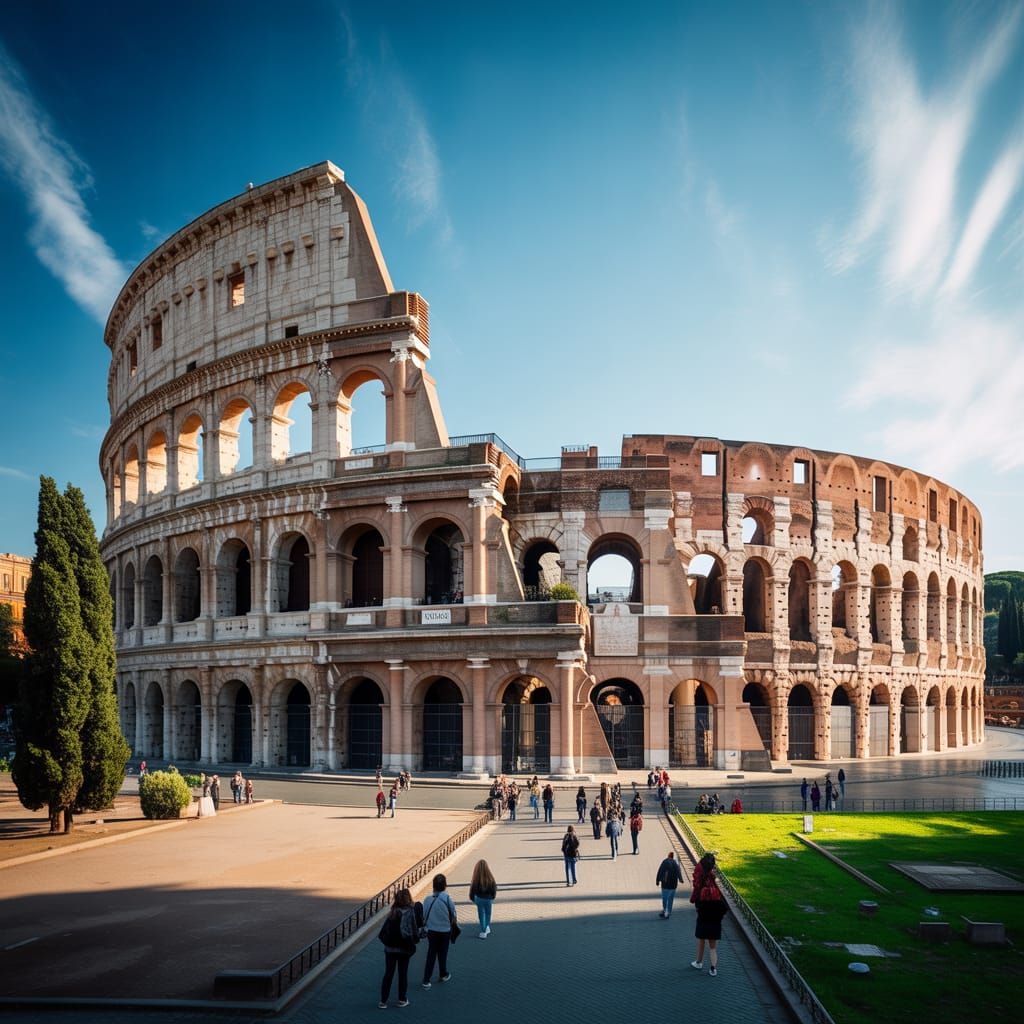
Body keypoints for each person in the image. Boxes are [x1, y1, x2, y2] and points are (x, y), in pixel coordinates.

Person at [379, 887, 423, 1008]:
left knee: (388, 974)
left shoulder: (392, 911)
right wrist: (416, 940)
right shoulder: (410, 912)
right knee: (402, 974)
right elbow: (413, 930)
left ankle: (383, 1001)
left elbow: (384, 931)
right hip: (404, 949)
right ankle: (402, 999)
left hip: (390, 949)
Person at [691, 862, 728, 976]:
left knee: (701, 941)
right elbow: (724, 908)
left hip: (703, 922)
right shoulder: (717, 896)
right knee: (713, 948)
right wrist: (719, 917)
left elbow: (697, 907)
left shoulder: (702, 899)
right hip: (715, 924)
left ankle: (699, 962)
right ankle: (713, 969)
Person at [421, 874, 458, 989]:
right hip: (445, 931)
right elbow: (454, 914)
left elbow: (423, 915)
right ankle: (443, 973)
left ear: (433, 886)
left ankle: (426, 980)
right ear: (445, 886)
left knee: (431, 953)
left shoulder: (427, 900)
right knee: (443, 953)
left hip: (431, 931)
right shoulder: (447, 899)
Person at [468, 859, 497, 939]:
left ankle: (483, 930)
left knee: (481, 915)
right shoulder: (490, 878)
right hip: (488, 899)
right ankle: (486, 927)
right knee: (488, 914)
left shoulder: (475, 879)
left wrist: (472, 898)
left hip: (479, 899)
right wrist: (493, 896)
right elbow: (494, 888)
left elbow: (472, 889)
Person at [656, 850, 684, 917]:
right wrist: (681, 879)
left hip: (665, 884)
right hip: (673, 885)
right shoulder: (675, 863)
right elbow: (678, 872)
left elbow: (660, 871)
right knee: (670, 899)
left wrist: (657, 880)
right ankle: (668, 911)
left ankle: (665, 910)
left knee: (665, 898)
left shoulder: (665, 862)